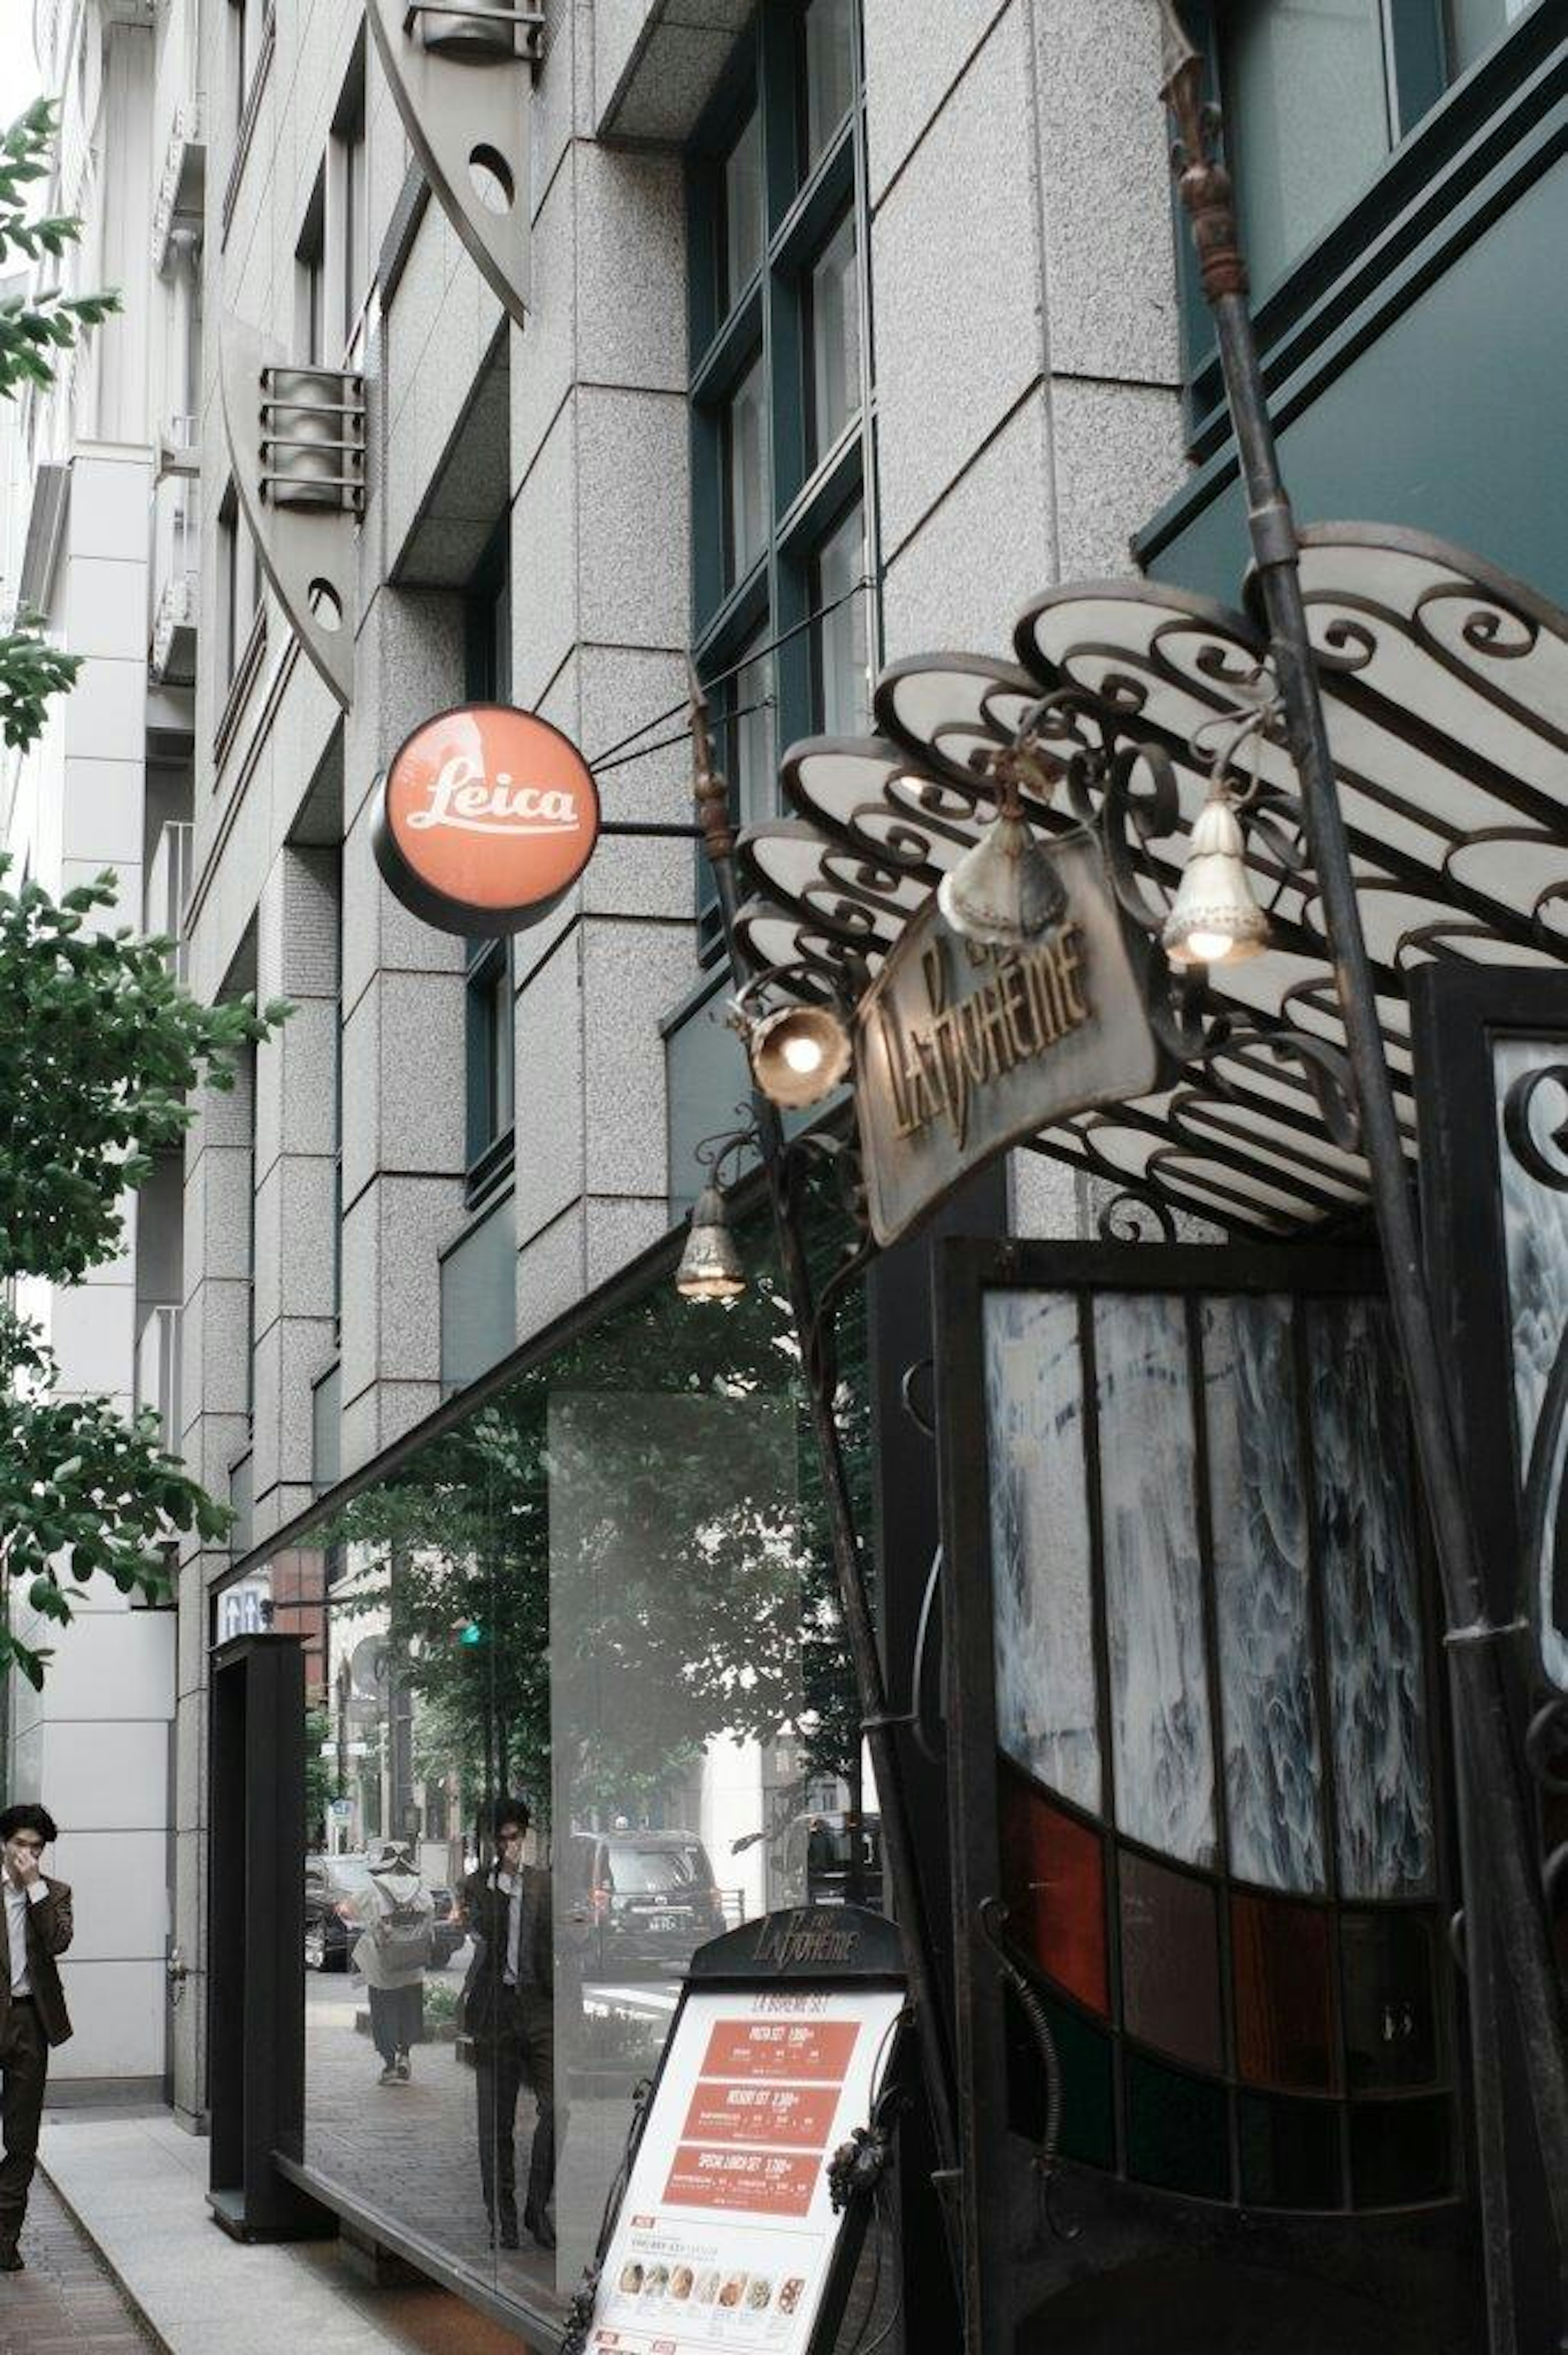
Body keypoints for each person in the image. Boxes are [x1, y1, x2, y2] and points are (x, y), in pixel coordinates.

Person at [461, 1797, 558, 2252]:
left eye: (516, 1837)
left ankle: (537, 2209)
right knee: (494, 2124)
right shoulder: (479, 1887)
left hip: (540, 2007)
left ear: (527, 1837)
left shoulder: (545, 1885)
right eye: (501, 1839)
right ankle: (502, 2217)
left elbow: (564, 1941)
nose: (509, 1846)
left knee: (559, 2110)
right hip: (496, 2010)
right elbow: (485, 1931)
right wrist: (504, 1884)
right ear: (491, 1843)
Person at [0, 1803, 73, 2273]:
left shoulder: (55, 1893)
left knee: (22, 2139)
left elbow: (59, 1942)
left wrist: (35, 1890)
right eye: (21, 1844)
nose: (28, 1853)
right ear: (4, 1844)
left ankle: (6, 2238)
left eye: (37, 1847)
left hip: (30, 2022)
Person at [347, 1838, 433, 2086]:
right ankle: (405, 2055)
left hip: (383, 1968)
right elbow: (430, 1918)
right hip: (413, 1966)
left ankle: (390, 2066)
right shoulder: (421, 1888)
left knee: (384, 2014)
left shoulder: (374, 1888)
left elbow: (349, 1911)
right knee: (409, 2010)